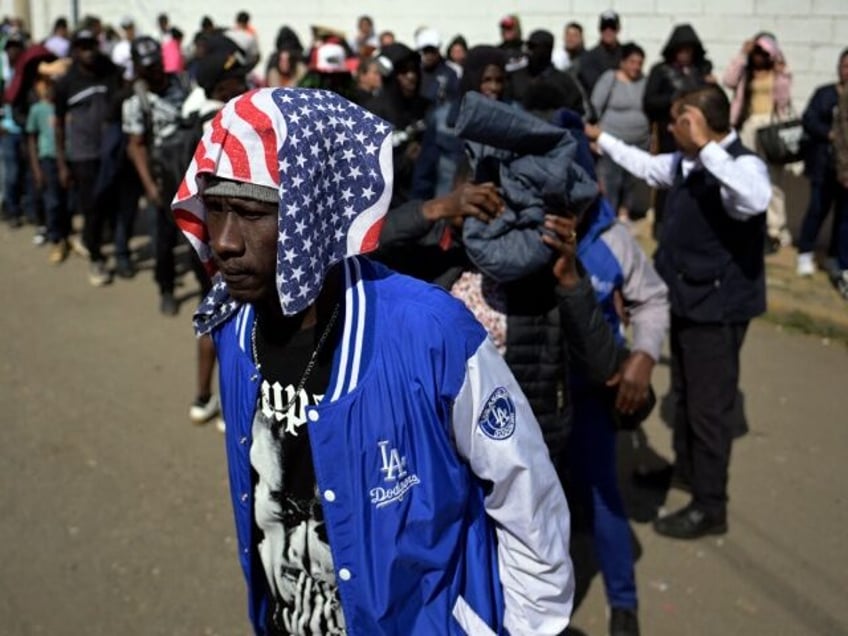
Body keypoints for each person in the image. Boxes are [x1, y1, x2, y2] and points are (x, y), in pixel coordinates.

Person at [172, 87, 574, 635]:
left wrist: (527, 628)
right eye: (214, 209)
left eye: (249, 213)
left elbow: (527, 494)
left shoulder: (431, 332)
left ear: (312, 214)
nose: (223, 242)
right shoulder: (234, 330)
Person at [585, 84, 771, 539]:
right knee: (686, 394)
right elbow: (646, 166)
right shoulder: (687, 164)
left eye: (676, 120)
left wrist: (707, 145)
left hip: (719, 306)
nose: (669, 129)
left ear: (696, 121)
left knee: (709, 407)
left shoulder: (741, 165)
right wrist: (601, 138)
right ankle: (687, 473)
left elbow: (753, 199)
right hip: (687, 297)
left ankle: (711, 505)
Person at [122, 36, 203, 314]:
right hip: (163, 177)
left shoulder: (183, 83)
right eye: (146, 67)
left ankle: (206, 290)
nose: (154, 70)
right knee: (164, 241)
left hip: (192, 171)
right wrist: (149, 185)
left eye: (156, 64)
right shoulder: (136, 103)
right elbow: (136, 146)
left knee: (199, 236)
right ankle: (166, 289)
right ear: (136, 68)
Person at [54, 28, 122, 285]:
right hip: (83, 155)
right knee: (91, 206)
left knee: (109, 203)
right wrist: (62, 163)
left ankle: (93, 240)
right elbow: (58, 125)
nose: (88, 51)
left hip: (110, 151)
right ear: (74, 51)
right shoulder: (66, 84)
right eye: (82, 47)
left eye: (91, 46)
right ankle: (96, 258)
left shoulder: (109, 73)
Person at [723, 33, 793, 252]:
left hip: (771, 129)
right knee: (745, 175)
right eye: (757, 52)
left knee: (773, 181)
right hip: (748, 126)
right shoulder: (745, 71)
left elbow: (783, 99)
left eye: (764, 52)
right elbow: (728, 81)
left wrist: (782, 72)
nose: (759, 57)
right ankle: (744, 221)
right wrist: (742, 55)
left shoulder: (778, 73)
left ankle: (774, 229)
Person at [643, 23, 714, 238]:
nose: (685, 54)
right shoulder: (660, 71)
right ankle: (661, 222)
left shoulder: (699, 73)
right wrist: (673, 99)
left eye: (689, 50)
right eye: (681, 49)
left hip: (696, 137)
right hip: (669, 134)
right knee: (667, 177)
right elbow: (649, 102)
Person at [796, 48, 848, 279]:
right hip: (824, 165)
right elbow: (809, 119)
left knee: (843, 216)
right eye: (844, 65)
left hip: (845, 169)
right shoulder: (825, 93)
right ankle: (805, 252)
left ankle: (834, 256)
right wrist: (829, 133)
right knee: (817, 209)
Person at [591, 42, 650, 222]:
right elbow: (594, 107)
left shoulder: (644, 82)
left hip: (639, 142)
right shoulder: (610, 79)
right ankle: (609, 216)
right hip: (611, 142)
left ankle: (625, 212)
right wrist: (593, 137)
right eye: (632, 62)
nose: (636, 67)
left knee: (631, 182)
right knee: (610, 181)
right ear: (623, 62)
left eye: (640, 63)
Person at [26, 73, 68, 263]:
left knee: (66, 199)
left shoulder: (64, 109)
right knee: (52, 200)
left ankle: (65, 233)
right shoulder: (37, 110)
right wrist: (36, 168)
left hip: (66, 159)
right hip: (47, 159)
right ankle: (54, 237)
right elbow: (31, 140)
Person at [506, 29, 584, 116]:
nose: (528, 50)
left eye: (533, 46)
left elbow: (579, 113)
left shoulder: (564, 82)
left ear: (548, 50)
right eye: (527, 46)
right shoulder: (516, 77)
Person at [578, 10, 622, 95]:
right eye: (604, 27)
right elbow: (595, 86)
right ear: (599, 29)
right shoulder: (588, 57)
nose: (608, 31)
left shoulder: (626, 55)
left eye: (612, 28)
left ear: (618, 29)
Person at [415, 27, 459, 105]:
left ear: (438, 50)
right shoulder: (416, 72)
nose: (429, 55)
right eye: (426, 51)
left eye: (432, 51)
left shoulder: (450, 73)